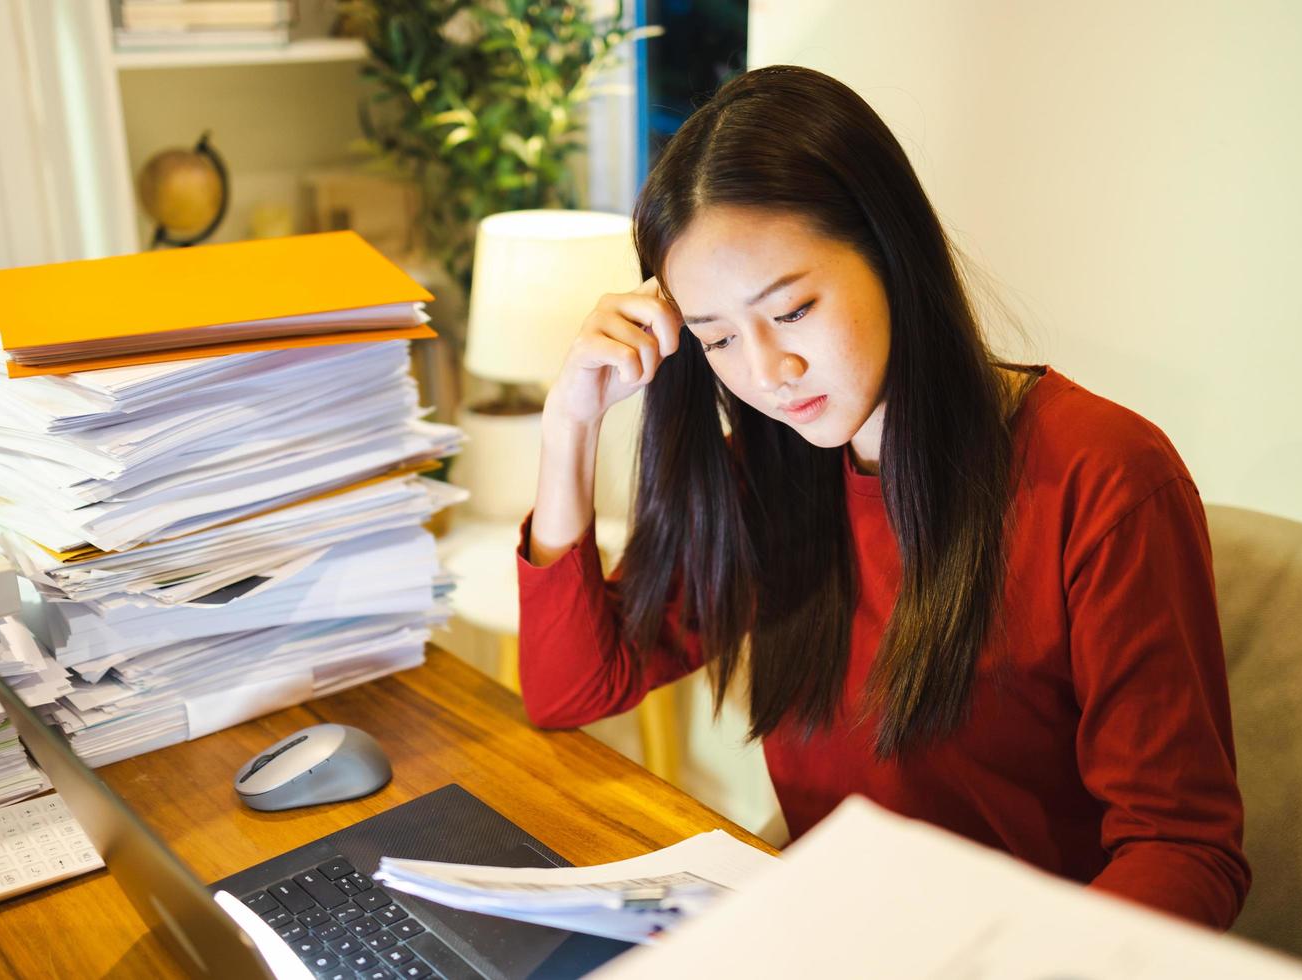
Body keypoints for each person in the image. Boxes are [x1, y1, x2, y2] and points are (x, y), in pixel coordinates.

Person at [516, 65, 1249, 930]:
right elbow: (570, 691)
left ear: (889, 250)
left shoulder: (1102, 475)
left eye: (791, 312)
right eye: (716, 340)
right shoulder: (767, 472)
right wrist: (569, 421)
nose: (768, 375)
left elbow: (1185, 849)